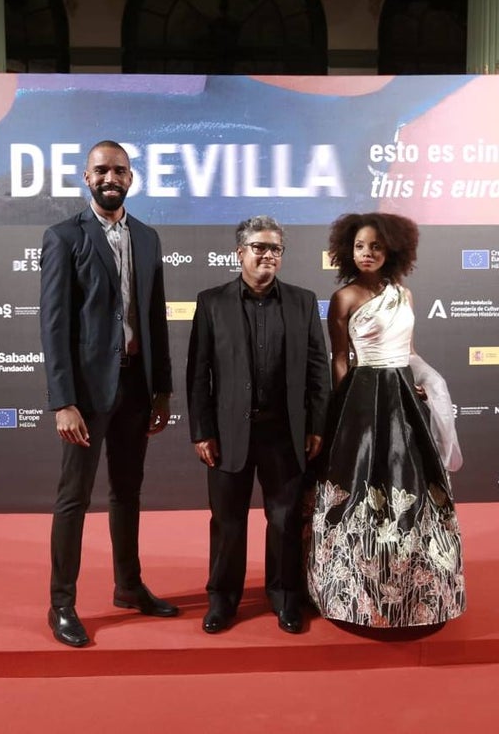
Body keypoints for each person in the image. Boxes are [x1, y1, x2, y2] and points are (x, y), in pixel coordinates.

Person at [39, 140, 178, 647]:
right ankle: (61, 604)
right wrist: (62, 400)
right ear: (86, 176)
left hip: (137, 387)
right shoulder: (63, 237)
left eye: (119, 169)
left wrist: (162, 389)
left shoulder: (147, 237)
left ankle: (128, 585)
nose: (110, 177)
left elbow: (154, 317)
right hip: (87, 395)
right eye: (101, 170)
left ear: (131, 177)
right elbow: (53, 326)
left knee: (127, 493)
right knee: (73, 498)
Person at [306, 212, 466, 628]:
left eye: (375, 246)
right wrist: (344, 408)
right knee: (361, 486)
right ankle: (353, 591)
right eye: (360, 246)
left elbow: (409, 350)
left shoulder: (405, 295)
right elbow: (340, 359)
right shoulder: (344, 298)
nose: (367, 253)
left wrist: (421, 381)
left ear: (391, 249)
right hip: (362, 397)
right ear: (347, 250)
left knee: (413, 482)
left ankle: (419, 592)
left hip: (402, 396)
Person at [186, 215, 331, 634]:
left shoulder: (303, 301)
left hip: (285, 434)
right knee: (227, 522)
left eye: (275, 249)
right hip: (229, 434)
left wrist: (317, 424)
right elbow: (199, 373)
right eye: (259, 247)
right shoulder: (212, 302)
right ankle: (222, 600)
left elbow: (318, 369)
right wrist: (202, 430)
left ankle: (285, 597)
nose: (267, 255)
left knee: (285, 521)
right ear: (240, 253)